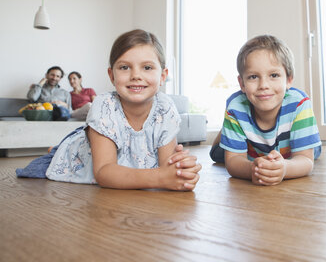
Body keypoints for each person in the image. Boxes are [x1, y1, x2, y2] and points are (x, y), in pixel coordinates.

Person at [17, 29, 201, 191]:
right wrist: (162, 178)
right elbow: (104, 172)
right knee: (61, 155)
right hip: (90, 156)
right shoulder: (104, 105)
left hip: (132, 162)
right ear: (112, 75)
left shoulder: (165, 107)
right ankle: (61, 150)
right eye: (124, 67)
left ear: (162, 76)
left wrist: (182, 171)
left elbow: (167, 168)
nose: (136, 75)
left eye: (147, 67)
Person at [209, 35, 322, 186]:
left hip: (290, 148)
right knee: (217, 154)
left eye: (274, 75)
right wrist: (253, 169)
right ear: (242, 83)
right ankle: (226, 132)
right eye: (253, 77)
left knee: (313, 152)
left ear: (288, 79)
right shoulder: (236, 107)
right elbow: (233, 162)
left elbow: (306, 160)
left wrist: (284, 169)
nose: (263, 85)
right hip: (252, 151)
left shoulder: (299, 104)